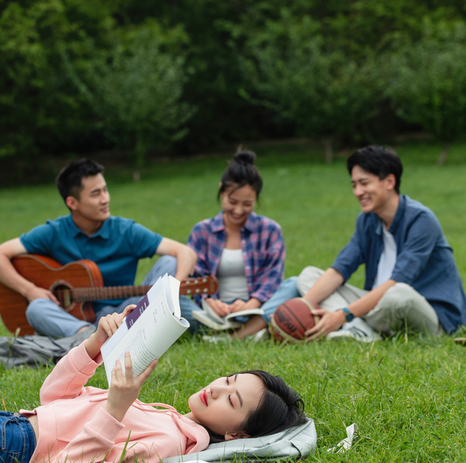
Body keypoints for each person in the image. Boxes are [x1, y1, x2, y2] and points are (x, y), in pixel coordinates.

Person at [0, 306, 307, 463]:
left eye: (231, 399)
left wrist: (116, 409)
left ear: (237, 436)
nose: (215, 390)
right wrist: (95, 344)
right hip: (14, 423)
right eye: (227, 380)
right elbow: (53, 399)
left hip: (18, 444)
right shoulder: (167, 418)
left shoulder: (170, 441)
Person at [239, 145, 466, 341]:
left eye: (364, 183)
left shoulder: (421, 220)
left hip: (429, 316)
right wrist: (299, 309)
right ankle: (361, 330)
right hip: (377, 306)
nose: (358, 192)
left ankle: (355, 326)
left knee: (398, 294)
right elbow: (340, 269)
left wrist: (343, 314)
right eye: (354, 184)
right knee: (309, 276)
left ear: (389, 181)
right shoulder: (367, 221)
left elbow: (397, 282)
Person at [0, 158, 197, 338]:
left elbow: (185, 252)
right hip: (78, 321)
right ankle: (90, 338)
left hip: (126, 312)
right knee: (36, 308)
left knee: (169, 263)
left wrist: (174, 291)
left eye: (105, 189)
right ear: (72, 202)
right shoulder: (53, 232)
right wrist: (29, 290)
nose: (105, 199)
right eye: (96, 194)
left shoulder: (125, 230)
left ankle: (118, 332)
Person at [179, 149, 297, 338]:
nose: (238, 210)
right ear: (221, 190)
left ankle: (237, 335)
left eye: (247, 204)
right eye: (232, 202)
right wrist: (210, 301)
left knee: (294, 285)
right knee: (175, 298)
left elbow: (272, 278)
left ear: (256, 198)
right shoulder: (201, 231)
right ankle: (251, 331)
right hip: (212, 313)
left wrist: (251, 304)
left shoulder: (270, 230)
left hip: (255, 310)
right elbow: (196, 277)